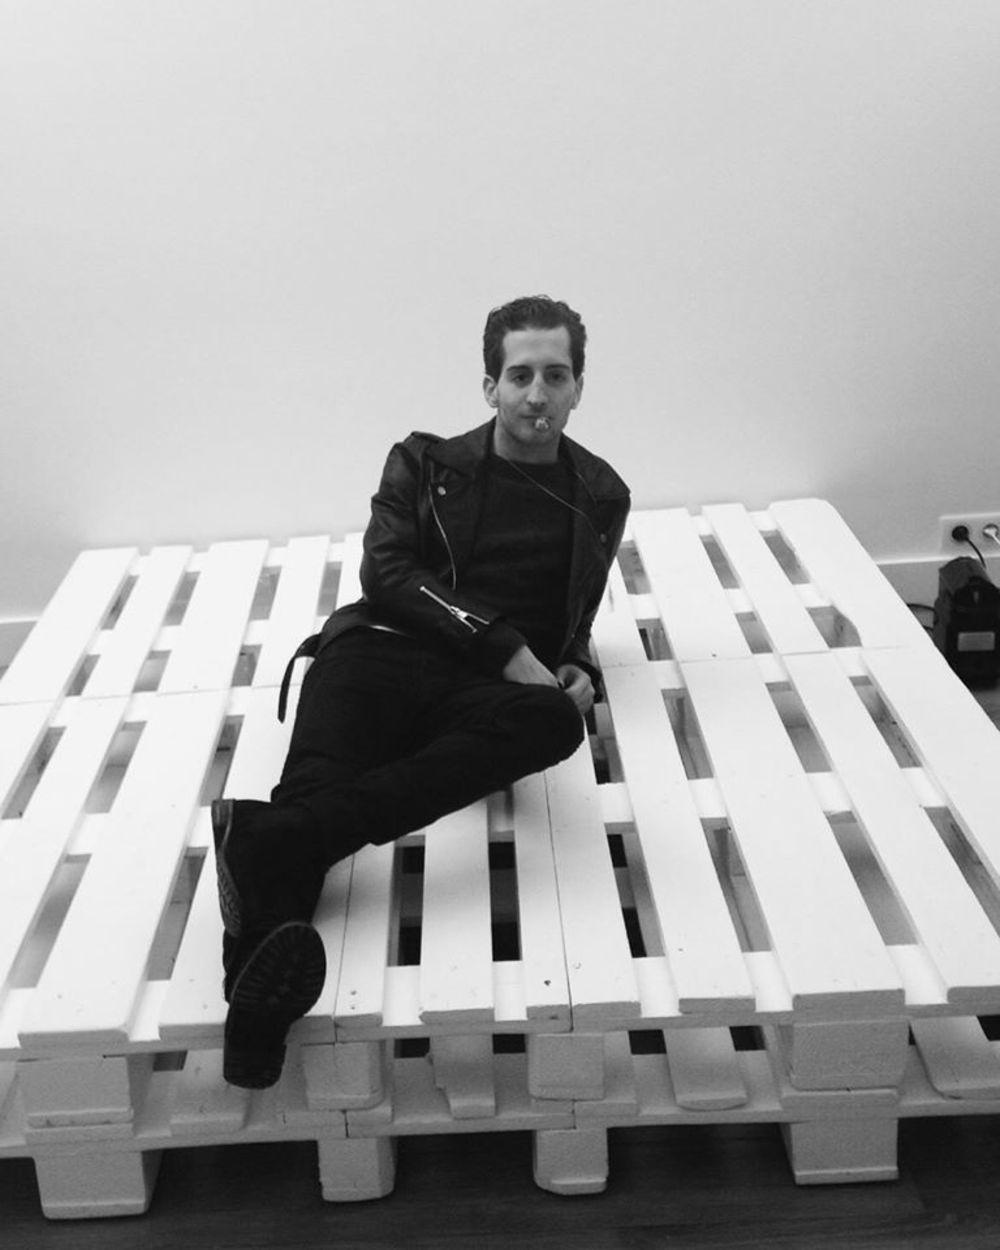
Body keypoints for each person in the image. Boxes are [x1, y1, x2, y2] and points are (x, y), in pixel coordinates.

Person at [212, 295, 631, 1089]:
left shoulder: (602, 493)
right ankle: (254, 1034)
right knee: (318, 786)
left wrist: (576, 664)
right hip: (378, 653)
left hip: (475, 694)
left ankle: (272, 839)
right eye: (520, 375)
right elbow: (388, 572)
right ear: (490, 386)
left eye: (555, 375)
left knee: (553, 721)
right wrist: (506, 645)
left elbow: (579, 611)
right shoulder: (425, 463)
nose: (536, 394)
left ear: (579, 386)